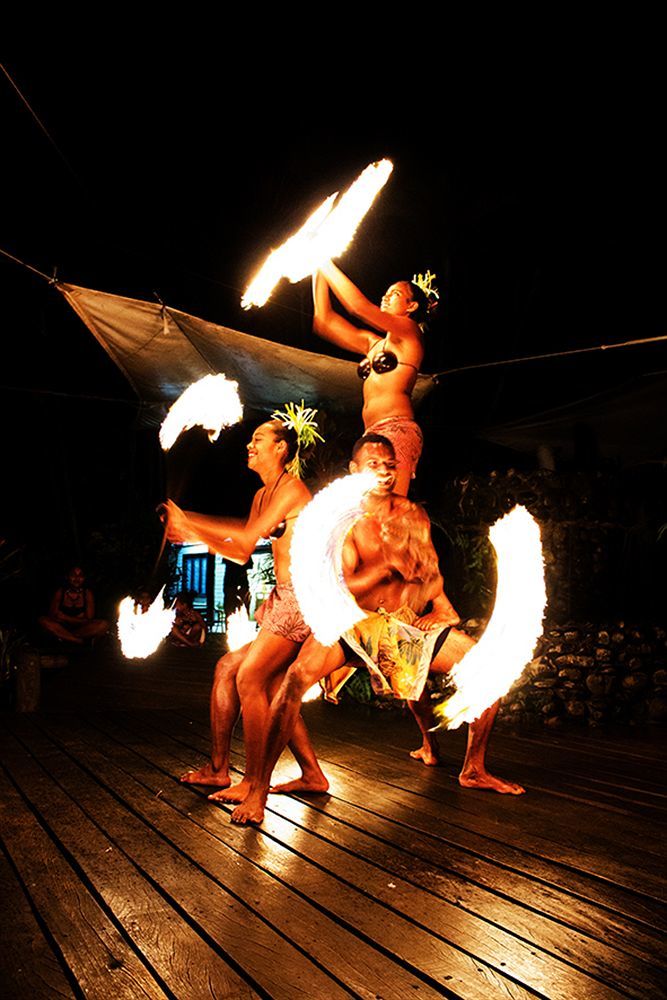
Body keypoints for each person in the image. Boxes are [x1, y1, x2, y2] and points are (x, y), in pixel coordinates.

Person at [232, 434, 524, 826]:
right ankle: (258, 792)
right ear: (354, 472)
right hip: (351, 623)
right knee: (294, 679)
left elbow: (429, 569)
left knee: (487, 668)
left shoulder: (412, 514)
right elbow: (339, 584)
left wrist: (442, 609)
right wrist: (380, 569)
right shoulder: (341, 521)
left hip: (399, 627)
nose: (385, 473)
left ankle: (473, 768)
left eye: (390, 465)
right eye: (374, 465)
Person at [165, 418, 328, 802]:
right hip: (285, 596)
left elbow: (242, 540)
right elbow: (241, 549)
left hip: (306, 598)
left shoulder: (292, 490)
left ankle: (255, 783)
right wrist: (191, 530)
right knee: (235, 671)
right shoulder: (261, 496)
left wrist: (189, 523)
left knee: (251, 679)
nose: (249, 446)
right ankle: (228, 770)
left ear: (282, 448)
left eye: (258, 440)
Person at [313, 262, 436, 496]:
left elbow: (358, 307)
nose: (386, 297)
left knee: (389, 508)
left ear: (412, 306)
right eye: (386, 293)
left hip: (397, 428)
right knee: (366, 508)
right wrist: (317, 270)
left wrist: (324, 260)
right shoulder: (374, 345)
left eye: (395, 294)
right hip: (370, 434)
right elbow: (324, 321)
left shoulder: (411, 334)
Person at [39, 565, 109, 645]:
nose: (77, 578)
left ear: (84, 578)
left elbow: (88, 620)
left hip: (81, 630)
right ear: (68, 577)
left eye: (80, 575)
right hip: (61, 627)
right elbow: (53, 616)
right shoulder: (61, 592)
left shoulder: (87, 593)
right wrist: (78, 619)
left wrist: (65, 617)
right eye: (73, 575)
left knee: (103, 624)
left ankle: (66, 638)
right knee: (43, 620)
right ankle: (77, 641)